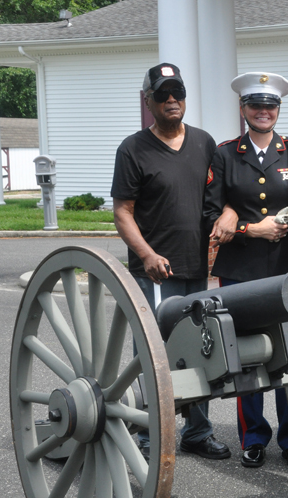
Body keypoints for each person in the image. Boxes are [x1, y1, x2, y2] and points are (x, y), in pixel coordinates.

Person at [203, 71, 288, 469]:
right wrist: (248, 228)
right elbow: (209, 212)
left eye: (270, 105)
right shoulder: (225, 154)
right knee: (245, 356)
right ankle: (253, 436)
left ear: (278, 110)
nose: (263, 111)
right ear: (243, 109)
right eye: (255, 105)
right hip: (241, 269)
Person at [111, 62, 231, 462]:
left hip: (196, 267)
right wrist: (146, 254)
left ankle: (197, 431)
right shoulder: (133, 149)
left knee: (200, 348)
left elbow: (215, 200)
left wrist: (227, 218)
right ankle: (147, 434)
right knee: (151, 353)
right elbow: (123, 211)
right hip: (153, 271)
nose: (171, 100)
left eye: (176, 92)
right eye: (161, 94)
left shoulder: (203, 142)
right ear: (148, 101)